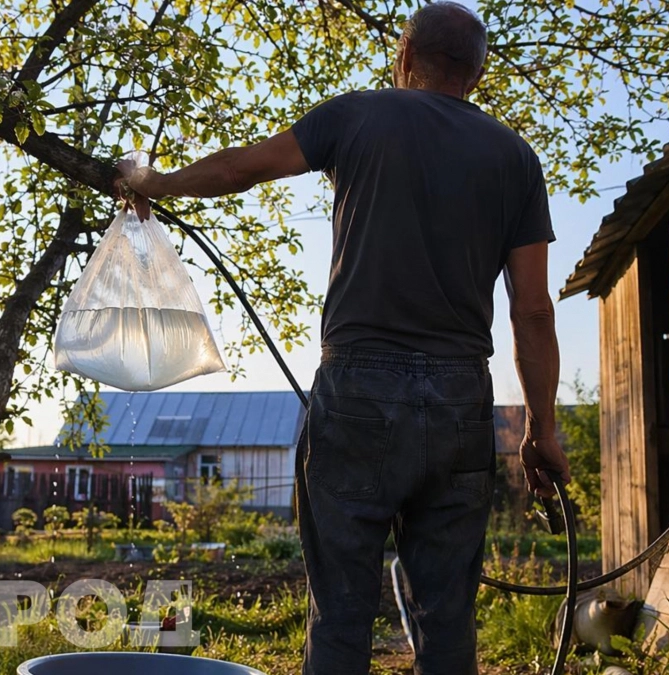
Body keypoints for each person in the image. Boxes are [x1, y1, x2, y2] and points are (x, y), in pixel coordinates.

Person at [117, 3, 569, 672]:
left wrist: (156, 183)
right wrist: (541, 428)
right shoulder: (516, 158)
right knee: (448, 619)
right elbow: (532, 310)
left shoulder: (356, 115)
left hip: (359, 388)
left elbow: (243, 169)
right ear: (476, 75)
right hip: (460, 398)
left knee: (341, 613)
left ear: (405, 56)